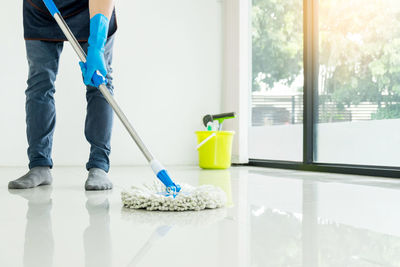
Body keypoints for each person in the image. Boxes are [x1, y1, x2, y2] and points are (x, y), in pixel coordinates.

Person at [8, 0, 118, 190]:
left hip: (89, 9)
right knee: (39, 82)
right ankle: (39, 165)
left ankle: (99, 166)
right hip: (42, 8)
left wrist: (97, 44)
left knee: (99, 82)